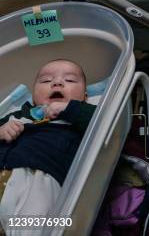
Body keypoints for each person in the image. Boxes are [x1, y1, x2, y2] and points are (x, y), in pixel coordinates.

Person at [0, 59, 96, 231]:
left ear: (85, 98)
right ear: (34, 94)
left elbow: (106, 125)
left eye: (70, 80)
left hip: (40, 177)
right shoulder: (17, 115)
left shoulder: (82, 118)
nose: (56, 82)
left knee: (34, 224)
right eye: (45, 81)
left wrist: (70, 108)